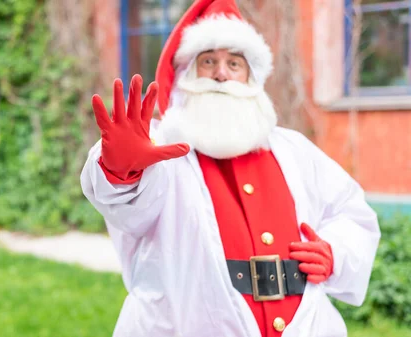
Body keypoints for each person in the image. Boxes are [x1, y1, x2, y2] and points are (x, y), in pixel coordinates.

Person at [80, 0, 381, 336]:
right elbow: (127, 210)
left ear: (251, 78)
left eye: (234, 63)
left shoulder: (292, 149)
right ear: (185, 74)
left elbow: (351, 212)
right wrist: (120, 170)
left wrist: (334, 252)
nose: (221, 74)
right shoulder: (161, 147)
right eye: (208, 61)